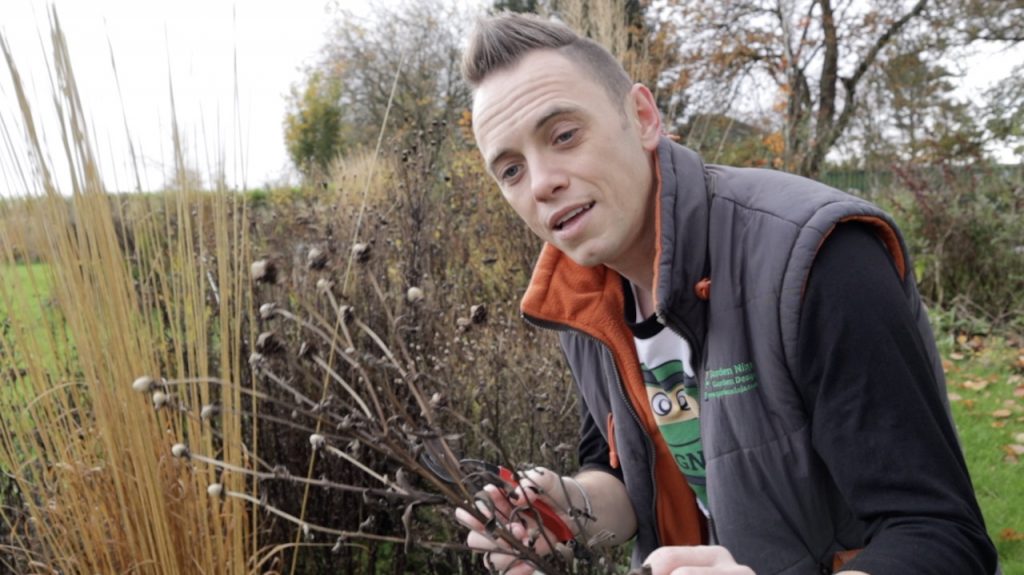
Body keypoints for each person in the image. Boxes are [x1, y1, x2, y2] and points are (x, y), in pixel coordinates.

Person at [454, 11, 998, 575]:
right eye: (512, 170)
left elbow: (941, 538)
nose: (542, 182)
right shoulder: (581, 296)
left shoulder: (817, 256)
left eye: (564, 135)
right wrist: (566, 513)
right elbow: (621, 477)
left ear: (643, 117)